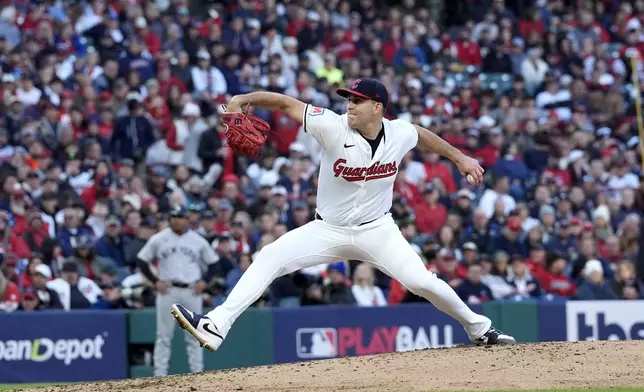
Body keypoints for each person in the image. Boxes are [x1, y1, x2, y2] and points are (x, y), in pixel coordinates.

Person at [171, 78, 515, 352]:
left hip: (377, 230)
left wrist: (459, 158)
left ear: (377, 107)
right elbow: (286, 103)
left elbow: (423, 136)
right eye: (348, 99)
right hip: (328, 230)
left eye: (357, 100)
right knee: (270, 256)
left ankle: (479, 329)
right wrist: (245, 97)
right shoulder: (332, 126)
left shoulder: (399, 132)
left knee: (422, 282)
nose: (349, 104)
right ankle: (215, 325)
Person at [137, 204, 219, 377]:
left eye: (180, 217)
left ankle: (198, 373)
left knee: (195, 335)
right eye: (174, 217)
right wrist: (154, 281)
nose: (176, 220)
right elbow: (142, 261)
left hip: (191, 290)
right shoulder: (159, 238)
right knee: (163, 336)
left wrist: (204, 282)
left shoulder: (197, 239)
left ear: (187, 219)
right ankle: (160, 375)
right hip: (168, 290)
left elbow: (214, 264)